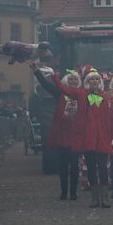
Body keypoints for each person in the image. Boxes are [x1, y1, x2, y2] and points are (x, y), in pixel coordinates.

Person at [49, 67, 113, 208]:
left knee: (103, 168)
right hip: (88, 137)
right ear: (87, 82)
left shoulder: (106, 96)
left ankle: (105, 197)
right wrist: (54, 76)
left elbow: (111, 118)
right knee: (91, 167)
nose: (95, 81)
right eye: (91, 79)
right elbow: (64, 89)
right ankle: (95, 198)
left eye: (97, 79)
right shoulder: (81, 94)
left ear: (100, 81)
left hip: (102, 137)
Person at [32, 66, 81, 200]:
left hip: (76, 134)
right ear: (65, 82)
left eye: (75, 80)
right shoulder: (60, 94)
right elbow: (46, 85)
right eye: (70, 80)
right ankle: (64, 191)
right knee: (63, 165)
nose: (72, 82)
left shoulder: (82, 95)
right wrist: (37, 72)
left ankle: (73, 192)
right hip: (63, 134)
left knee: (75, 165)